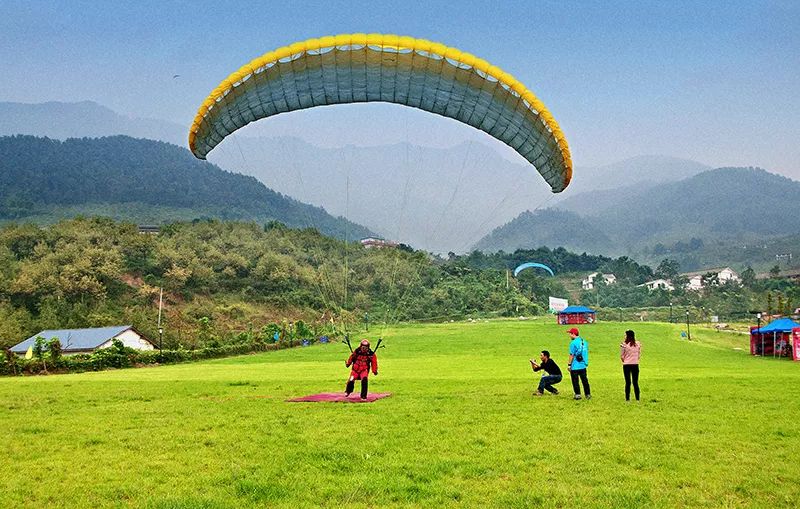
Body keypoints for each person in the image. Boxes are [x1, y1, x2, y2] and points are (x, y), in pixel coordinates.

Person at [567, 327, 591, 400]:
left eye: (570, 334)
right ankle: (588, 394)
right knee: (584, 380)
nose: (569, 336)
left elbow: (571, 354)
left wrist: (569, 364)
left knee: (575, 380)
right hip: (583, 365)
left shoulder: (573, 343)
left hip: (575, 365)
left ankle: (578, 394)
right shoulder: (584, 342)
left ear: (573, 334)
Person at [620, 330, 642, 401]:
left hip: (626, 365)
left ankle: (627, 399)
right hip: (635, 364)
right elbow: (639, 355)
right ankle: (637, 399)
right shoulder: (638, 344)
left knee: (627, 382)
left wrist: (625, 360)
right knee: (635, 382)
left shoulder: (623, 344)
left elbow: (622, 356)